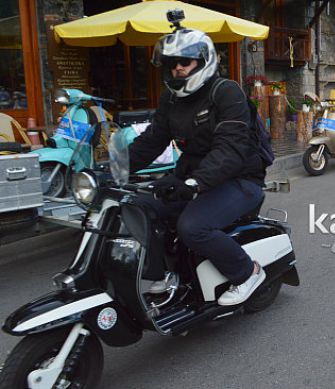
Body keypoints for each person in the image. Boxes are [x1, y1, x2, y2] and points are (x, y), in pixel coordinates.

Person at [128, 27, 267, 306]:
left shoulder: (226, 92)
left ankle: (247, 272)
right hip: (195, 178)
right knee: (139, 207)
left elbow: (230, 149)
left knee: (193, 226)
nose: (177, 68)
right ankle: (162, 275)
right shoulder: (171, 98)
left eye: (185, 61)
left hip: (241, 179)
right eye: (171, 63)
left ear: (204, 61)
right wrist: (115, 167)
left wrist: (194, 184)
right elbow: (152, 140)